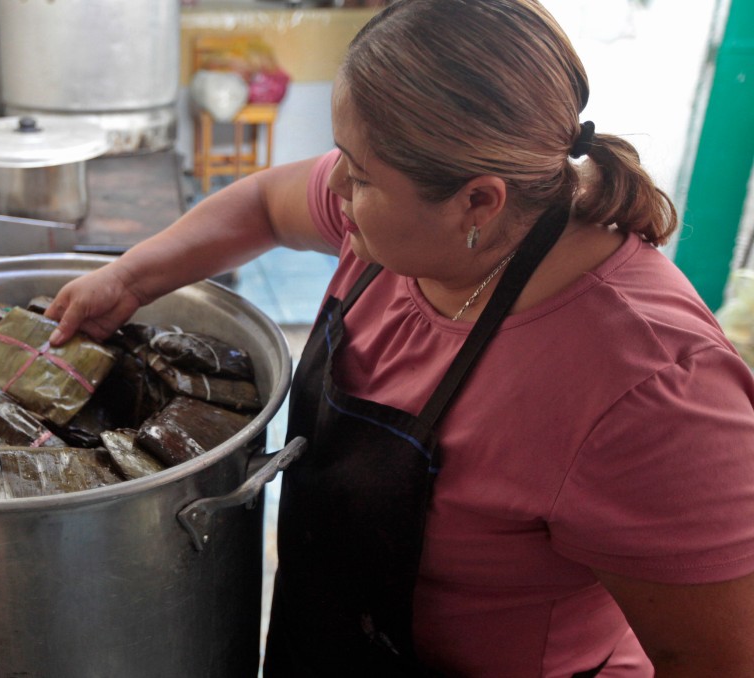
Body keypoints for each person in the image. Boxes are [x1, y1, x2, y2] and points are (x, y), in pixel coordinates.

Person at [45, 0, 754, 674]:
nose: (336, 196)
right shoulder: (412, 224)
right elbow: (265, 204)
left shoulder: (654, 389)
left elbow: (722, 660)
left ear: (478, 199)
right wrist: (130, 281)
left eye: (357, 179)